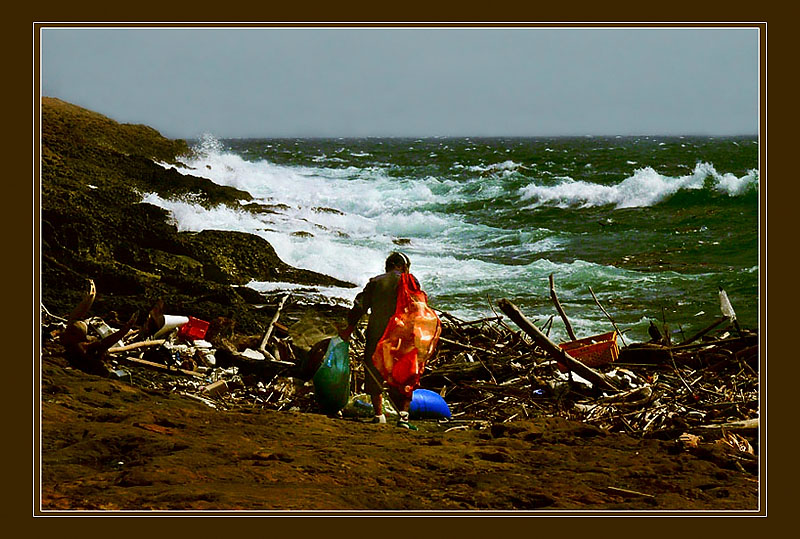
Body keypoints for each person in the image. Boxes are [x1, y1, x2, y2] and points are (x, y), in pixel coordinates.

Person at [339, 252, 421, 430]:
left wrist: (348, 329)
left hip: (378, 333)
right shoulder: (411, 281)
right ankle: (404, 418)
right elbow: (418, 307)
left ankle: (379, 415)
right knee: (405, 373)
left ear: (389, 265)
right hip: (403, 335)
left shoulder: (376, 282)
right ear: (403, 266)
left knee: (374, 369)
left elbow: (360, 307)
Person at [60, 279, 138, 377]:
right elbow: (106, 343)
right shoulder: (82, 348)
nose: (65, 331)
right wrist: (125, 328)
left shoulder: (76, 346)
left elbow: (105, 343)